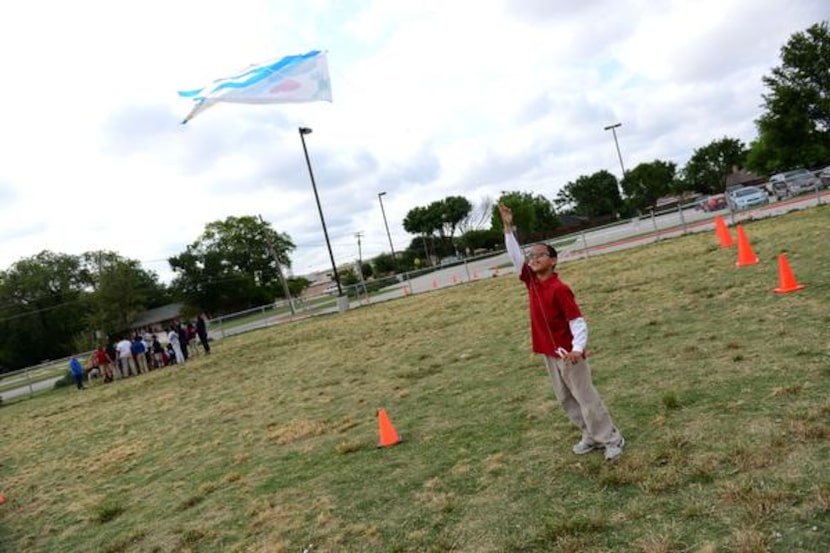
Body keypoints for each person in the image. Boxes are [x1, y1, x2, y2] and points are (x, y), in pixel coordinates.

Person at [498, 203, 625, 461]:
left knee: (585, 397)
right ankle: (590, 435)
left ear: (553, 261)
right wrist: (508, 227)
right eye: (531, 256)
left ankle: (611, 438)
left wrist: (577, 349)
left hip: (569, 354)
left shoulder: (560, 288)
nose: (533, 259)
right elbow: (515, 256)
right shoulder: (531, 280)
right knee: (566, 398)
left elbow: (577, 321)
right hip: (549, 351)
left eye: (540, 255)